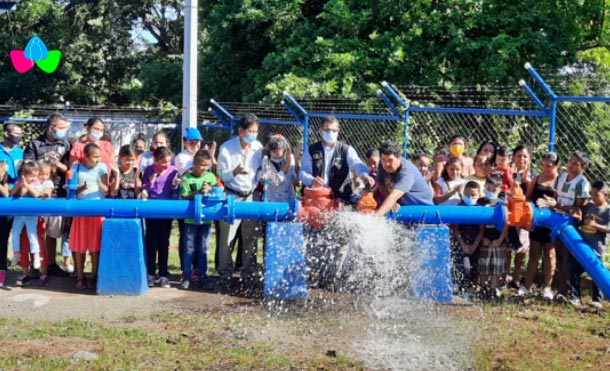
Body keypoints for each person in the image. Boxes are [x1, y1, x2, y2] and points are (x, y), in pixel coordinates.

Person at [216, 113, 263, 293]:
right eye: (250, 131)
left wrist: (261, 176)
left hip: (251, 195)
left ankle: (248, 274)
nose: (253, 135)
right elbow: (221, 174)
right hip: (232, 195)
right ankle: (225, 275)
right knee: (227, 238)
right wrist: (234, 172)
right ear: (240, 131)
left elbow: (259, 170)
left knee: (251, 237)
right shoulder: (227, 148)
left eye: (255, 131)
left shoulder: (258, 147)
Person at [24, 113, 72, 277]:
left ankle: (51, 264)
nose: (64, 131)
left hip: (57, 192)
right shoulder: (35, 144)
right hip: (37, 193)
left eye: (65, 128)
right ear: (51, 128)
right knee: (36, 230)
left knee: (53, 232)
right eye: (61, 128)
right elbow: (27, 168)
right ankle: (35, 266)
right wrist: (44, 160)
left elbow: (68, 169)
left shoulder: (65, 143)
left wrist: (56, 163)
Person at [299, 116, 374, 204]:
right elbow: (303, 172)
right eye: (327, 130)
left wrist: (364, 175)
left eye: (334, 130)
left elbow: (356, 163)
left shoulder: (346, 150)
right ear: (320, 131)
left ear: (338, 131)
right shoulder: (311, 149)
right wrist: (312, 180)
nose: (330, 133)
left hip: (339, 198)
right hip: (316, 197)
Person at [519, 151, 560, 300]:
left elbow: (562, 202)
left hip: (552, 222)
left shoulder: (560, 181)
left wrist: (553, 205)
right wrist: (530, 207)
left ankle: (547, 288)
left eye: (549, 166)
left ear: (557, 165)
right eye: (543, 166)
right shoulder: (537, 179)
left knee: (550, 254)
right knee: (534, 253)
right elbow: (528, 196)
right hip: (537, 221)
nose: (546, 169)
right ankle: (527, 285)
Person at [551, 151, 591, 301]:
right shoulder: (561, 177)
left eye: (576, 163)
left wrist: (559, 205)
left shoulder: (582, 183)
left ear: (582, 168)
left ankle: (566, 290)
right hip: (556, 219)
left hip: (569, 223)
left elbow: (578, 208)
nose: (571, 165)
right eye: (570, 161)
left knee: (567, 257)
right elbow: (555, 198)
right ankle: (561, 289)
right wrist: (552, 205)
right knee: (559, 256)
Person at [69, 143, 109, 290]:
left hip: (97, 210)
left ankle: (94, 276)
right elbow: (72, 191)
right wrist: (83, 187)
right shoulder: (76, 168)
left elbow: (107, 190)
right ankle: (80, 276)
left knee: (95, 246)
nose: (98, 160)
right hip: (80, 210)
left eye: (99, 157)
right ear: (86, 157)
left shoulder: (102, 168)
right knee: (79, 246)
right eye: (94, 157)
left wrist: (100, 185)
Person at [141, 147, 180, 288]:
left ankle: (164, 274)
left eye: (168, 161)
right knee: (151, 242)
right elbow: (145, 190)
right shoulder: (149, 170)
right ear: (156, 160)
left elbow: (175, 190)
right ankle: (150, 273)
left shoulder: (173, 171)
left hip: (166, 211)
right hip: (151, 211)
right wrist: (151, 182)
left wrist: (176, 185)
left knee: (164, 243)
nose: (166, 164)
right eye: (163, 161)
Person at [179, 150, 217, 290]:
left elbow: (218, 193)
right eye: (202, 165)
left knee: (203, 249)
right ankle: (187, 276)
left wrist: (211, 189)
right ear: (194, 164)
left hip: (206, 220)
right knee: (189, 249)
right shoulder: (186, 178)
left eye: (207, 165)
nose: (204, 169)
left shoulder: (211, 177)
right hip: (190, 220)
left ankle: (203, 276)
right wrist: (199, 193)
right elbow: (184, 196)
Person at [10, 161, 52, 286]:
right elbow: (12, 194)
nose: (38, 177)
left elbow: (40, 195)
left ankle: (41, 267)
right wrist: (19, 185)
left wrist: (28, 186)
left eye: (37, 175)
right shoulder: (20, 182)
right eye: (34, 175)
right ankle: (23, 269)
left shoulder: (40, 184)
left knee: (37, 240)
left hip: (35, 218)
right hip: (20, 216)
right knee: (21, 240)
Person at [569, 181, 609, 308]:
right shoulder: (588, 207)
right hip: (582, 248)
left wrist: (596, 225)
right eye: (591, 194)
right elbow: (582, 223)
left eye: (596, 195)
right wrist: (579, 218)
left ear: (606, 195)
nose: (593, 197)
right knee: (574, 271)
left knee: (596, 274)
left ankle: (597, 300)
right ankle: (575, 297)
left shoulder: (607, 211)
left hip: (596, 249)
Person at [504, 144, 536, 288]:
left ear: (529, 158)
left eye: (524, 156)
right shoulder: (508, 172)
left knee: (521, 249)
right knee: (507, 249)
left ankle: (516, 279)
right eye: (518, 156)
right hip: (510, 214)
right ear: (513, 158)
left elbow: (535, 194)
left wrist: (528, 181)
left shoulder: (534, 175)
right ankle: (505, 277)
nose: (521, 159)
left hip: (524, 216)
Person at [374, 140, 434, 217]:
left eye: (390, 160)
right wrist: (389, 198)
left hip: (424, 212)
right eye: (383, 160)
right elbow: (380, 182)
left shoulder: (407, 172)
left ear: (399, 158)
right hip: (404, 208)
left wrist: (375, 218)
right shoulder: (382, 164)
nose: (386, 164)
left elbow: (394, 195)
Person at [476, 175, 508, 298]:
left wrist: (500, 239)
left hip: (499, 239)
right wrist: (482, 237)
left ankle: (493, 289)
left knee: (497, 266)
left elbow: (507, 223)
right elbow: (479, 222)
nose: (493, 190)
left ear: (500, 188)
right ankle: (482, 288)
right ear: (486, 186)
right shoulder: (481, 202)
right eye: (490, 187)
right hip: (485, 238)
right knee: (483, 264)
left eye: (496, 187)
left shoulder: (503, 203)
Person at [0, 123, 23, 287]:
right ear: (6, 134)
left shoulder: (20, 152)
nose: (19, 136)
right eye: (16, 133)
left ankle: (7, 270)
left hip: (15, 198)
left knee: (10, 236)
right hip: (2, 198)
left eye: (21, 133)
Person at [452, 181, 484, 294]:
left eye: (473, 195)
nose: (470, 197)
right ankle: (457, 283)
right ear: (463, 194)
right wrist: (463, 245)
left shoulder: (480, 209)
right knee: (462, 265)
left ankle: (472, 285)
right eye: (467, 194)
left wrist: (475, 245)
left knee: (474, 266)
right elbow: (455, 229)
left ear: (479, 195)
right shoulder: (460, 207)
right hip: (461, 241)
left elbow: (481, 230)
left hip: (475, 241)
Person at [259, 134, 296, 202]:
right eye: (274, 156)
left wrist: (290, 162)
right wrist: (287, 165)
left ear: (285, 151)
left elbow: (294, 178)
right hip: (271, 201)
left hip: (288, 200)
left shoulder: (290, 159)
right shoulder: (266, 161)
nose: (277, 158)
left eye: (279, 156)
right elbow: (275, 181)